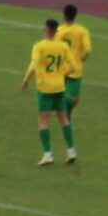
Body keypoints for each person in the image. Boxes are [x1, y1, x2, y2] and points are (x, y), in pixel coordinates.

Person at [21, 18, 77, 166]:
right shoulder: (63, 46)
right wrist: (62, 74)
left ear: (45, 30)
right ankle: (71, 151)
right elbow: (73, 67)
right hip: (59, 87)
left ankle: (48, 155)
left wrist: (26, 79)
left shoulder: (39, 46)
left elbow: (34, 65)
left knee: (43, 120)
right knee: (64, 119)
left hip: (45, 89)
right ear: (56, 31)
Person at [56, 4, 94, 119]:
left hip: (61, 67)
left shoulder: (59, 30)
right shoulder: (82, 31)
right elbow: (88, 50)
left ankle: (60, 109)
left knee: (64, 94)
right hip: (75, 69)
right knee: (74, 100)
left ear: (64, 15)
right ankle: (65, 116)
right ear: (75, 15)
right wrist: (81, 60)